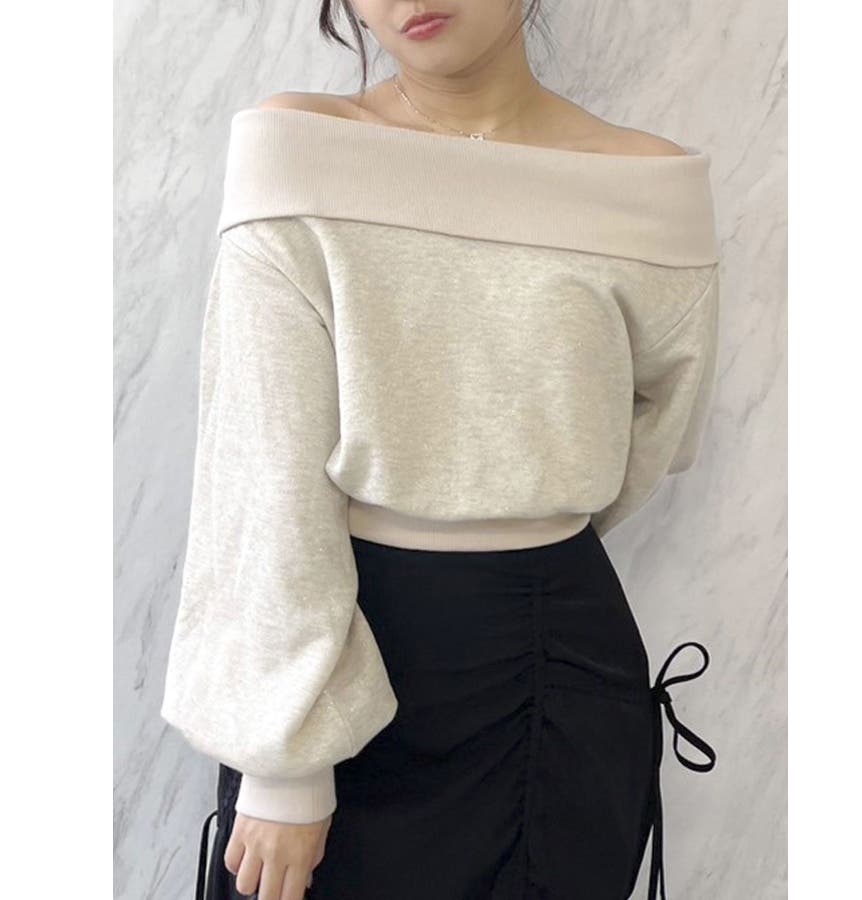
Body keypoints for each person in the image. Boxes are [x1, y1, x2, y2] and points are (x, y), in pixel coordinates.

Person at [160, 2, 720, 899]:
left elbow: (659, 432)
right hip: (334, 656)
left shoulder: (648, 185)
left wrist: (518, 499)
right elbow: (258, 464)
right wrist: (285, 764)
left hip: (559, 674)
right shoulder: (297, 149)